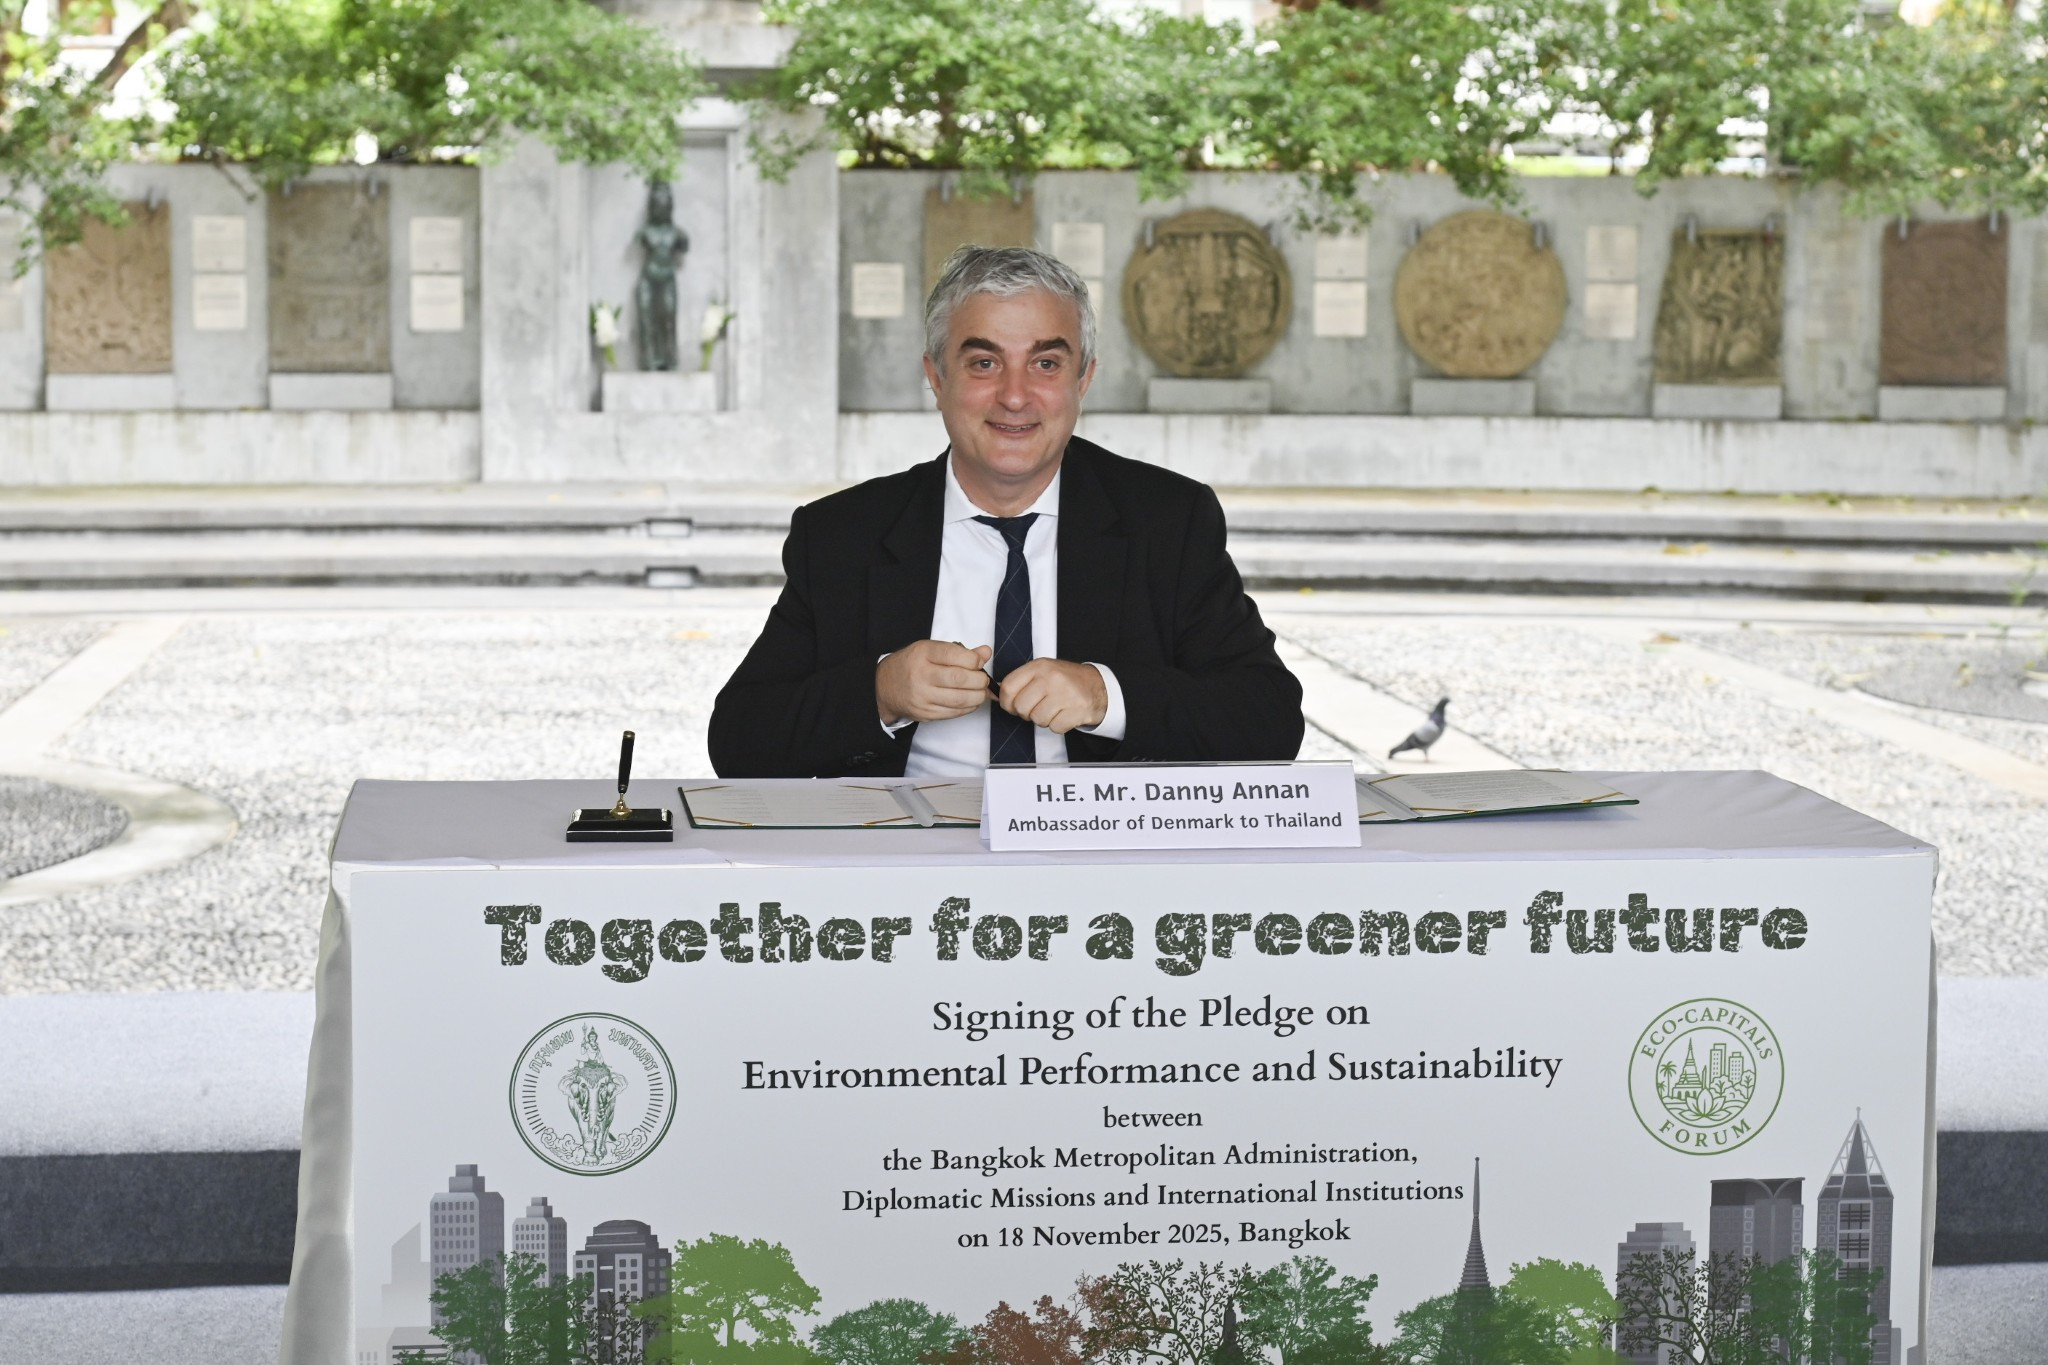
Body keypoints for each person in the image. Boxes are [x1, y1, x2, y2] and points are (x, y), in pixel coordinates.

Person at [708, 245, 1302, 778]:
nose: (1015, 396)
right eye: (984, 363)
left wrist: (1106, 696)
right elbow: (739, 740)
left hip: (1097, 847)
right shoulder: (844, 534)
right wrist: (880, 692)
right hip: (906, 849)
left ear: (1083, 380)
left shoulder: (1168, 521)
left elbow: (1270, 718)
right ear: (936, 377)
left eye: (1046, 364)